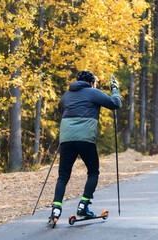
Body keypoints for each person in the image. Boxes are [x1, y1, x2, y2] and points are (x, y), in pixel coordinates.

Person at [50, 70, 123, 222]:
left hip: (66, 138)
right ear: (91, 82)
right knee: (93, 172)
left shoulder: (67, 94)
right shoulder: (93, 92)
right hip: (85, 139)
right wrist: (114, 89)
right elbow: (116, 104)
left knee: (63, 176)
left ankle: (56, 209)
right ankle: (83, 205)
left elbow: (60, 109)